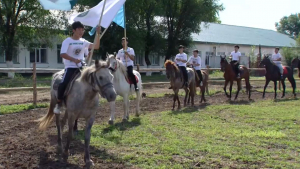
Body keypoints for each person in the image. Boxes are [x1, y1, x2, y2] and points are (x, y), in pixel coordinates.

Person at [53, 21, 101, 114]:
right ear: (74, 30)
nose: (81, 31)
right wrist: (74, 59)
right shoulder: (67, 41)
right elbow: (62, 54)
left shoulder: (83, 41)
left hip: (82, 67)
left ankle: (92, 101)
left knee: (94, 79)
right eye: (79, 29)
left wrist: (98, 33)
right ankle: (59, 103)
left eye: (82, 30)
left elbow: (96, 46)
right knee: (64, 83)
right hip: (70, 67)